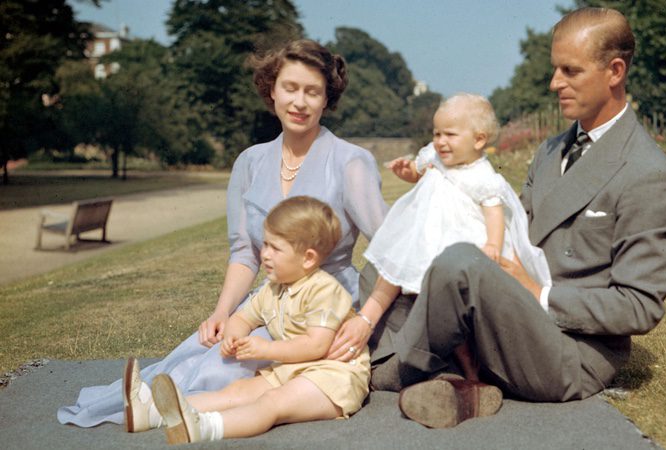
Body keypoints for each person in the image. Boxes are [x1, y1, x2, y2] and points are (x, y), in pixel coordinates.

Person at [368, 7, 666, 429]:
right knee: (391, 255)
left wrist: (537, 292)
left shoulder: (649, 174)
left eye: (570, 71)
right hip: (510, 314)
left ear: (614, 71)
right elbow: (511, 230)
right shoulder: (552, 150)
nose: (555, 83)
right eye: (555, 69)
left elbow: (639, 306)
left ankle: (389, 370)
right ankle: (456, 379)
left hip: (569, 351)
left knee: (457, 263)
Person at [58, 39, 388, 430]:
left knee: (224, 367)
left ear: (327, 98)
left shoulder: (351, 162)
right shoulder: (249, 163)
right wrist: (221, 312)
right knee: (206, 346)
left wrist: (365, 320)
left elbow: (391, 251)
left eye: (312, 92)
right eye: (290, 88)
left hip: (323, 310)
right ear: (271, 90)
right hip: (269, 302)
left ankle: (175, 413)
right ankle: (150, 404)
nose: (300, 102)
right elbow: (245, 253)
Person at [139, 196, 370, 444]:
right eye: (265, 245)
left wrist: (267, 348)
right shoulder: (273, 289)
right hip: (293, 370)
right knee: (238, 391)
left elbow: (316, 345)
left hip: (334, 377)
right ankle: (152, 412)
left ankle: (205, 427)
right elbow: (243, 317)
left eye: (275, 248)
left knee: (272, 402)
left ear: (308, 258)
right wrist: (233, 336)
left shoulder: (324, 291)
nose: (265, 255)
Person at [362, 93, 551, 384]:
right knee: (420, 292)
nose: (440, 141)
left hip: (461, 240)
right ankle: (435, 356)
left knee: (457, 305)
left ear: (478, 140)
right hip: (428, 236)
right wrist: (407, 172)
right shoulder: (435, 156)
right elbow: (419, 170)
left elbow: (494, 213)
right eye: (437, 133)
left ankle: (470, 366)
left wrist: (493, 243)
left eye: (450, 134)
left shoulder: (482, 175)